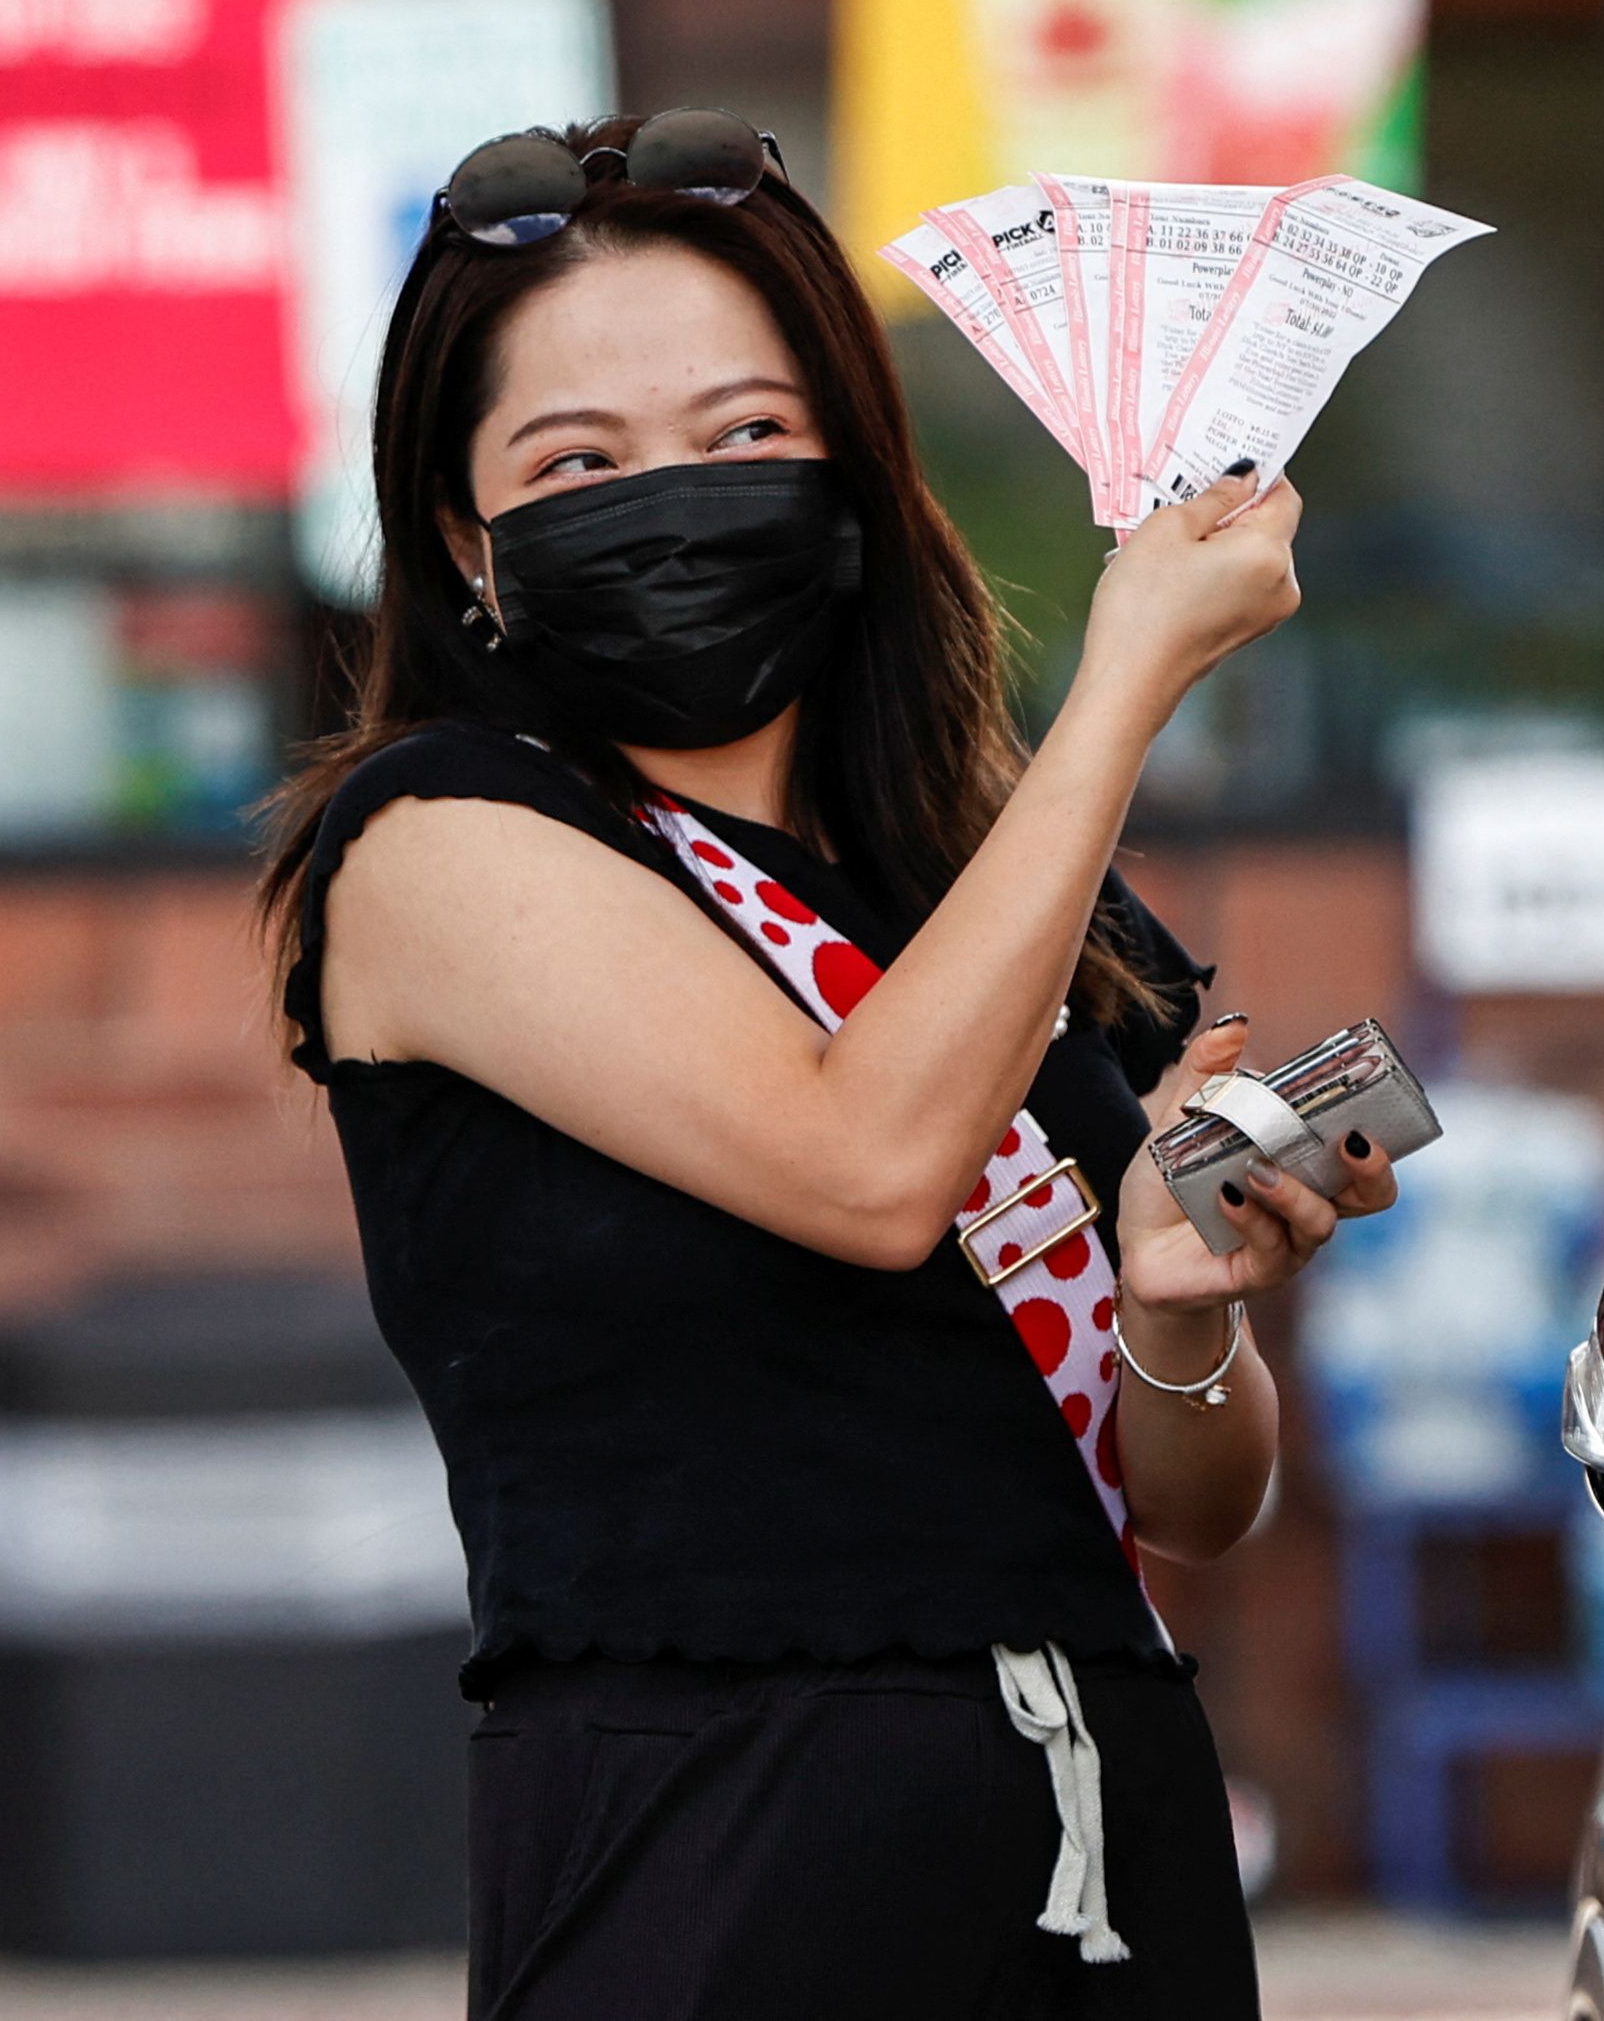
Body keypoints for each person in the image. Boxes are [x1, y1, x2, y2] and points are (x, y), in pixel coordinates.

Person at [259, 109, 1394, 2018]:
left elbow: (1194, 1501)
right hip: (719, 1869)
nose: (674, 497)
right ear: (468, 534)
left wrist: (1183, 1313)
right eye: (577, 461)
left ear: (850, 471)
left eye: (742, 435)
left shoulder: (983, 888)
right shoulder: (432, 846)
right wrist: (1122, 682)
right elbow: (867, 1167)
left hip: (1100, 1841)